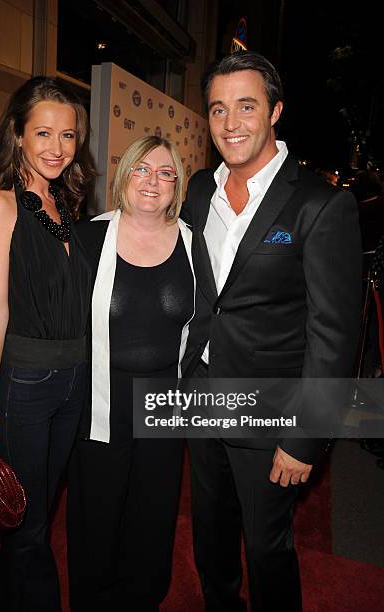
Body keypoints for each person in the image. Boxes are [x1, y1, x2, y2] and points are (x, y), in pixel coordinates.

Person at [181, 51, 362, 611]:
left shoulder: (320, 204)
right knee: (209, 542)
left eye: (246, 106)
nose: (230, 123)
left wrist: (305, 435)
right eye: (217, 110)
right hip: (201, 397)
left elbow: (334, 334)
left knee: (267, 551)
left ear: (275, 110)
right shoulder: (197, 190)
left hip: (271, 412)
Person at [0, 76, 94, 612]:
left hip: (73, 382)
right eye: (42, 133)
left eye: (67, 136)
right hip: (26, 383)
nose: (56, 149)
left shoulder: (66, 201)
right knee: (32, 522)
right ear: (17, 134)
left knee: (30, 513)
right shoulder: (2, 205)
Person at [67, 135, 195, 611]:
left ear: (176, 186)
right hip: (101, 399)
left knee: (154, 511)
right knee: (97, 512)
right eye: (142, 169)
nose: (152, 181)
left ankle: (143, 598)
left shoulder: (192, 241)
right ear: (124, 177)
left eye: (165, 173)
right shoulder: (86, 237)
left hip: (167, 398)